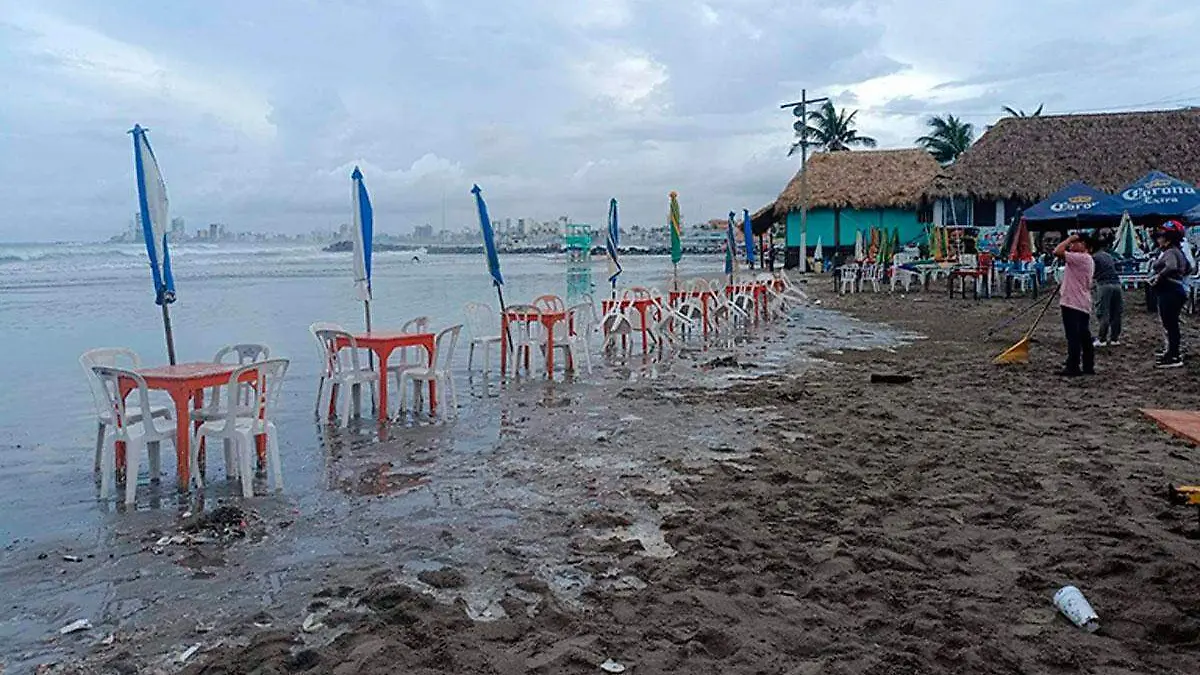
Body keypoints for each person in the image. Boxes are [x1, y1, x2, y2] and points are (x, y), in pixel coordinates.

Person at [1149, 221, 1192, 368]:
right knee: (1171, 324)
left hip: (1170, 291)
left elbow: (1171, 266)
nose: (1158, 239)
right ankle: (1172, 352)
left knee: (1170, 324)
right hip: (1175, 290)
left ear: (1168, 238)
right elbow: (1188, 268)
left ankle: (1174, 355)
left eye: (1161, 236)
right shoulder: (1177, 251)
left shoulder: (1170, 252)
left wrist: (1159, 277)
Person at [1053, 233, 1095, 376]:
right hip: (1081, 301)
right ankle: (1088, 366)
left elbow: (1057, 251)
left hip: (1073, 303)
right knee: (1084, 336)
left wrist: (1069, 239)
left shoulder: (1081, 258)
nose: (1072, 245)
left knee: (1074, 337)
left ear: (1084, 245)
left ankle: (1073, 366)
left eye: (1076, 243)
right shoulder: (1086, 259)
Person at [1090, 237, 1123, 347]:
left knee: (1103, 312)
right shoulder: (1108, 256)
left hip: (1104, 285)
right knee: (1116, 313)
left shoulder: (1093, 258)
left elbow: (1090, 273)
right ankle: (1114, 338)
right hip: (1117, 284)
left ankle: (1102, 339)